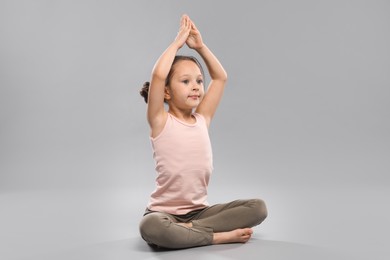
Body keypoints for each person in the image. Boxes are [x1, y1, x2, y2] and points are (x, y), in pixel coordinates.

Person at [139, 14, 267, 249]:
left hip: (201, 213)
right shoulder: (160, 120)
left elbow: (220, 77)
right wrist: (177, 43)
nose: (196, 86)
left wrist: (200, 46)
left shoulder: (202, 119)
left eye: (199, 81)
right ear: (166, 92)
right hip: (164, 214)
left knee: (258, 208)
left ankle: (186, 233)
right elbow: (158, 75)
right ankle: (216, 237)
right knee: (150, 227)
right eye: (185, 81)